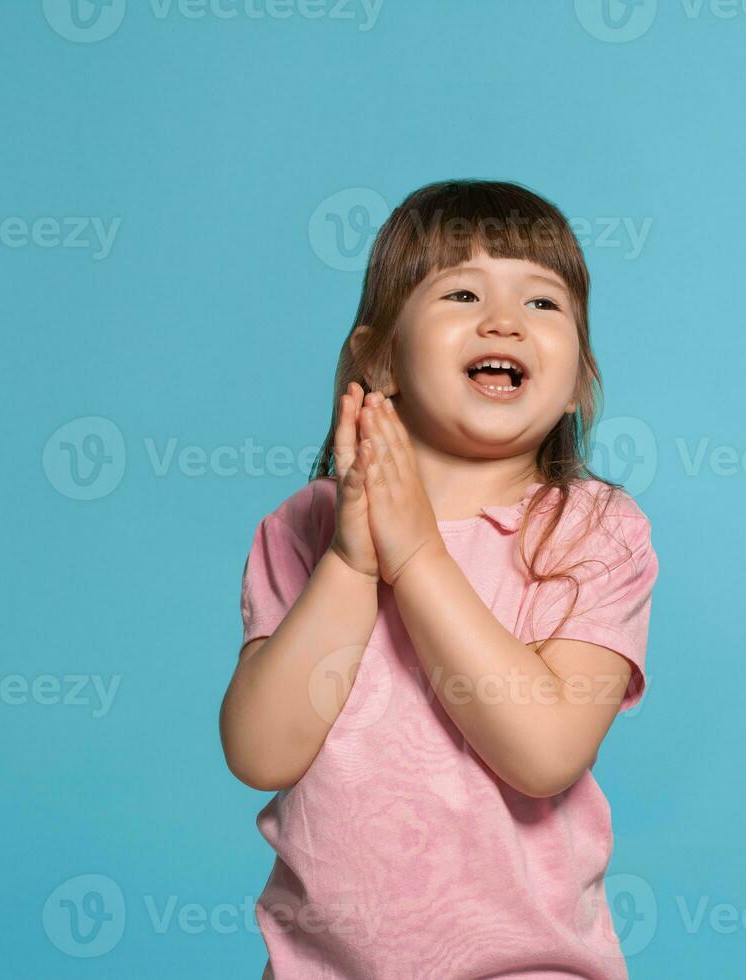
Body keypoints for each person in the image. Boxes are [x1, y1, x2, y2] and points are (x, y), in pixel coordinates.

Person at [220, 178, 660, 979]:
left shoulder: (593, 532)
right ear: (379, 356)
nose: (503, 321)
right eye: (462, 291)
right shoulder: (302, 529)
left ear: (580, 383)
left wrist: (417, 555)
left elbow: (544, 751)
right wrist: (354, 562)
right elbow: (261, 752)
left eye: (543, 303)